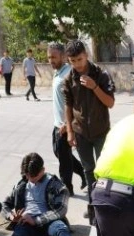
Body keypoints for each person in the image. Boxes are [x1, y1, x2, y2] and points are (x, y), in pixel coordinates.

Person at [0, 153, 98, 236]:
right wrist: (11, 216)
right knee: (18, 235)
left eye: (35, 176)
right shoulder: (21, 185)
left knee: (61, 228)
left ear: (43, 170)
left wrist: (36, 220)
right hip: (26, 222)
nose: (32, 179)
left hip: (49, 221)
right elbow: (5, 205)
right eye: (28, 176)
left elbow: (60, 210)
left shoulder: (56, 185)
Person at [63, 39, 115, 206]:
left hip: (101, 131)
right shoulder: (68, 79)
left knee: (104, 169)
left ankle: (105, 202)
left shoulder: (101, 74)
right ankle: (93, 204)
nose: (77, 64)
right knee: (88, 169)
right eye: (72, 61)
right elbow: (68, 106)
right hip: (81, 133)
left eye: (79, 59)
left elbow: (110, 103)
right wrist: (70, 131)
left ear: (86, 55)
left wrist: (94, 87)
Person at [48, 42, 86, 196]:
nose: (51, 60)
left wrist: (67, 124)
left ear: (63, 56)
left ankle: (66, 189)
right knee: (60, 153)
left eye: (54, 57)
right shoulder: (58, 73)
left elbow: (77, 102)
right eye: (49, 57)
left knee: (64, 161)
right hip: (57, 123)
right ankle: (83, 172)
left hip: (66, 125)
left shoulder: (69, 73)